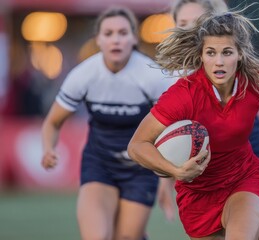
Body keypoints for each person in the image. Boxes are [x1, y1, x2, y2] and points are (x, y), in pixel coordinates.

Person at [128, 8, 259, 240]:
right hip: (198, 196)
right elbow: (137, 145)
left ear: (240, 54)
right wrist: (175, 170)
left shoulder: (255, 82)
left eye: (227, 52)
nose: (219, 62)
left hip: (244, 180)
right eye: (211, 53)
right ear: (201, 55)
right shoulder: (183, 94)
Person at [156, 1, 259, 240]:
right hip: (206, 175)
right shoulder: (170, 77)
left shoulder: (232, 58)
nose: (190, 29)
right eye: (183, 24)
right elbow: (172, 136)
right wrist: (167, 176)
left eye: (197, 22)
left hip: (250, 156)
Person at [41, 6, 174, 240]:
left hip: (140, 169)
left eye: (123, 33)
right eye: (109, 33)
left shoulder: (153, 76)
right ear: (98, 39)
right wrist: (48, 148)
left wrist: (167, 177)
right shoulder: (84, 75)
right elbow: (52, 122)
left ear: (133, 38)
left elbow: (171, 129)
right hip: (100, 164)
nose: (116, 40)